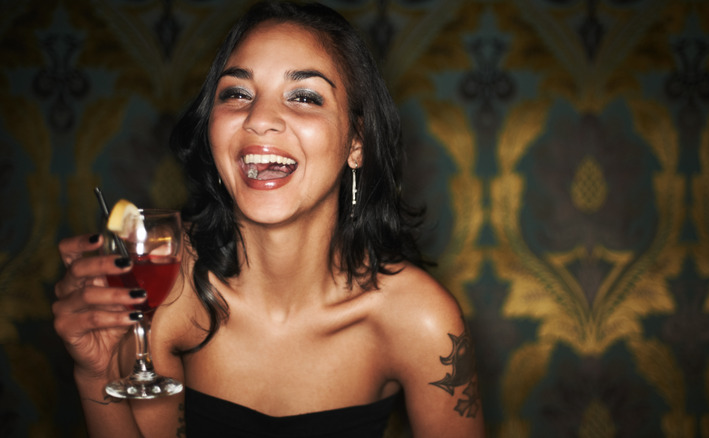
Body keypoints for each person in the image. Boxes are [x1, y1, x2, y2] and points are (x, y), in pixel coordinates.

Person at [53, 1, 484, 437]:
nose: (259, 120)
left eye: (304, 97)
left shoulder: (421, 320)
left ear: (357, 140)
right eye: (237, 93)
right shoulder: (164, 285)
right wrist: (95, 373)